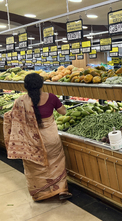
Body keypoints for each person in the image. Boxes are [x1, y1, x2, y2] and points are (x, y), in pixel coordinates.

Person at [3, 73, 72, 201]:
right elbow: (63, 112)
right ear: (41, 84)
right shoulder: (51, 97)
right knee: (56, 163)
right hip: (51, 139)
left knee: (35, 167)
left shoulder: (20, 101)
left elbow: (10, 117)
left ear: (26, 86)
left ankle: (40, 194)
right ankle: (61, 189)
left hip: (30, 142)